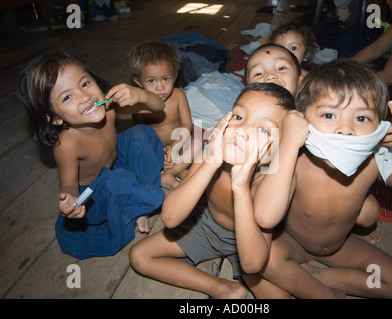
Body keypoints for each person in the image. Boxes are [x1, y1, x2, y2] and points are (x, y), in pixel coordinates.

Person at [245, 60, 392, 298]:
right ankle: (322, 293)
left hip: (338, 247)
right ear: (302, 119)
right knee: (264, 260)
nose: (345, 129)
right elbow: (263, 214)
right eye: (328, 115)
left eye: (362, 118)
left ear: (381, 125)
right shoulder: (295, 155)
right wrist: (289, 144)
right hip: (290, 243)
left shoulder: (374, 157)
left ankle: (313, 276)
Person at [129, 82, 296, 299]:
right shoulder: (211, 154)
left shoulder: (274, 180)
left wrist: (240, 188)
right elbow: (170, 218)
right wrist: (211, 161)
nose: (242, 131)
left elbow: (252, 262)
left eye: (263, 129)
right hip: (204, 225)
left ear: (281, 148)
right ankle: (221, 288)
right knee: (139, 256)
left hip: (248, 242)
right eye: (238, 117)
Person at [18, 52, 166, 259]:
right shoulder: (67, 144)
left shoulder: (108, 107)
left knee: (140, 134)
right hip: (95, 193)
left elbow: (159, 106)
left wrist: (140, 95)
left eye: (85, 84)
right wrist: (70, 199)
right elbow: (68, 185)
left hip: (116, 166)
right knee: (117, 181)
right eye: (67, 97)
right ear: (55, 118)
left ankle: (140, 203)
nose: (85, 97)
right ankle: (146, 203)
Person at [245, 45, 382, 243]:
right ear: (248, 87)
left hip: (323, 186)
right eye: (258, 73)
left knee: (369, 212)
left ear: (301, 79)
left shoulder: (315, 110)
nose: (270, 76)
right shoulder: (250, 118)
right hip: (280, 185)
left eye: (281, 68)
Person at [128, 41, 197, 190]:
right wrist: (159, 154)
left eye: (165, 79)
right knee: (137, 154)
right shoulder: (139, 105)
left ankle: (171, 173)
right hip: (156, 150)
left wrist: (174, 147)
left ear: (174, 76)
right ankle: (179, 173)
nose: (160, 87)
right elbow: (141, 133)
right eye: (151, 81)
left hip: (179, 145)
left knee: (197, 144)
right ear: (138, 82)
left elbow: (187, 125)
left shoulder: (178, 95)